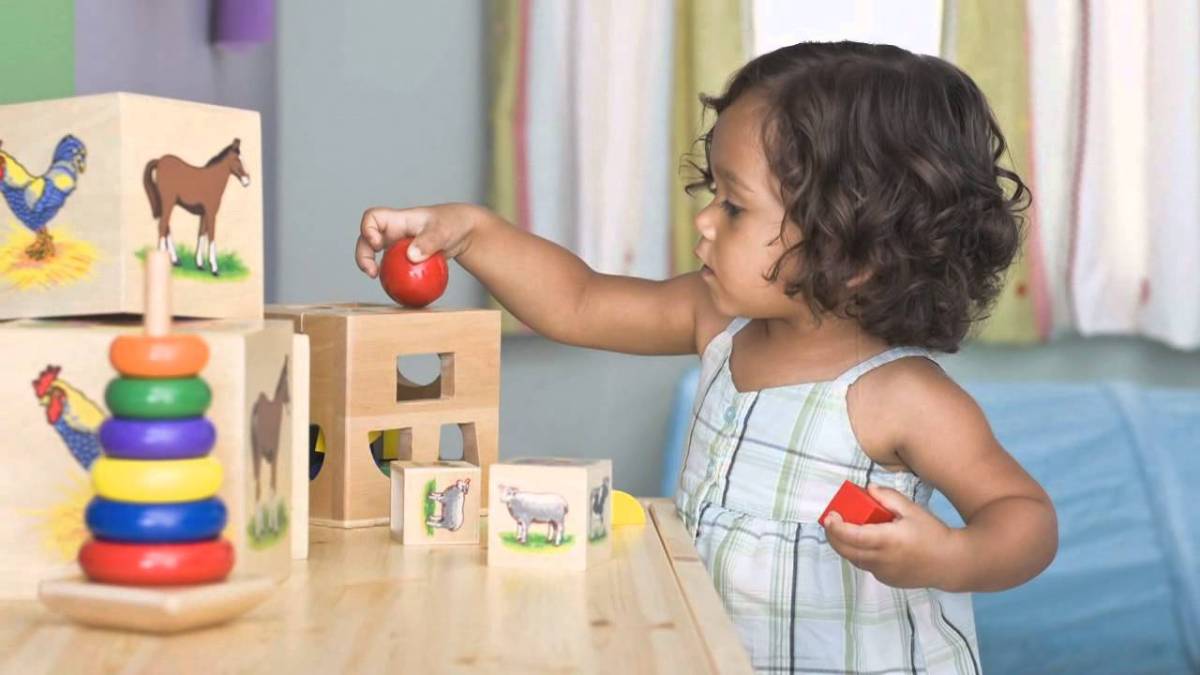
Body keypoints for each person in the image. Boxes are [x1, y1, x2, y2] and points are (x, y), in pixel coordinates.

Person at [355, 41, 1057, 674]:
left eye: (735, 207)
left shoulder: (901, 396)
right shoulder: (716, 322)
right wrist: (472, 233)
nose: (703, 219)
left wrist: (952, 556)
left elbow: (1023, 515)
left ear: (854, 247)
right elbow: (577, 300)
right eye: (711, 193)